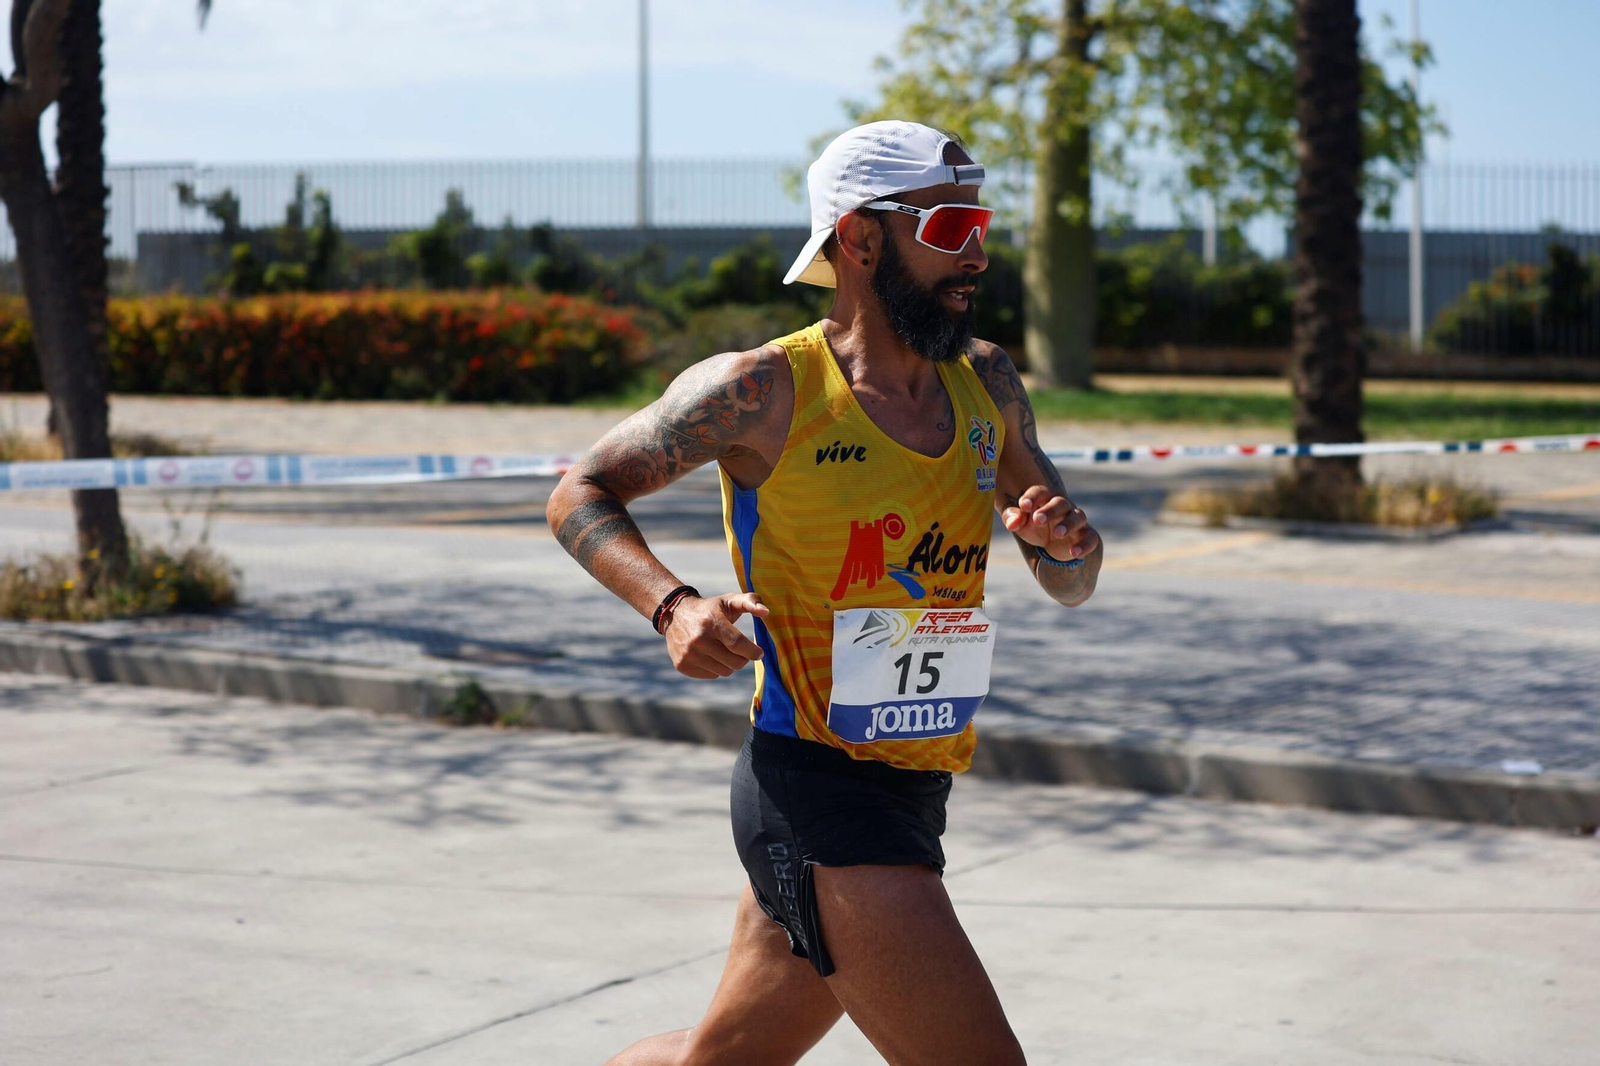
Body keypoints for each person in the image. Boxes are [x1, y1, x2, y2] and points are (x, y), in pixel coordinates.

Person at [547, 120, 1103, 1066]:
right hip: (818, 790)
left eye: (983, 222)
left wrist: (1062, 543)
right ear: (859, 237)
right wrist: (675, 605)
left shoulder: (988, 383)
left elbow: (1073, 582)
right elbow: (579, 492)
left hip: (919, 782)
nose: (975, 251)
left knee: (716, 1062)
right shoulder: (764, 389)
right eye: (951, 223)